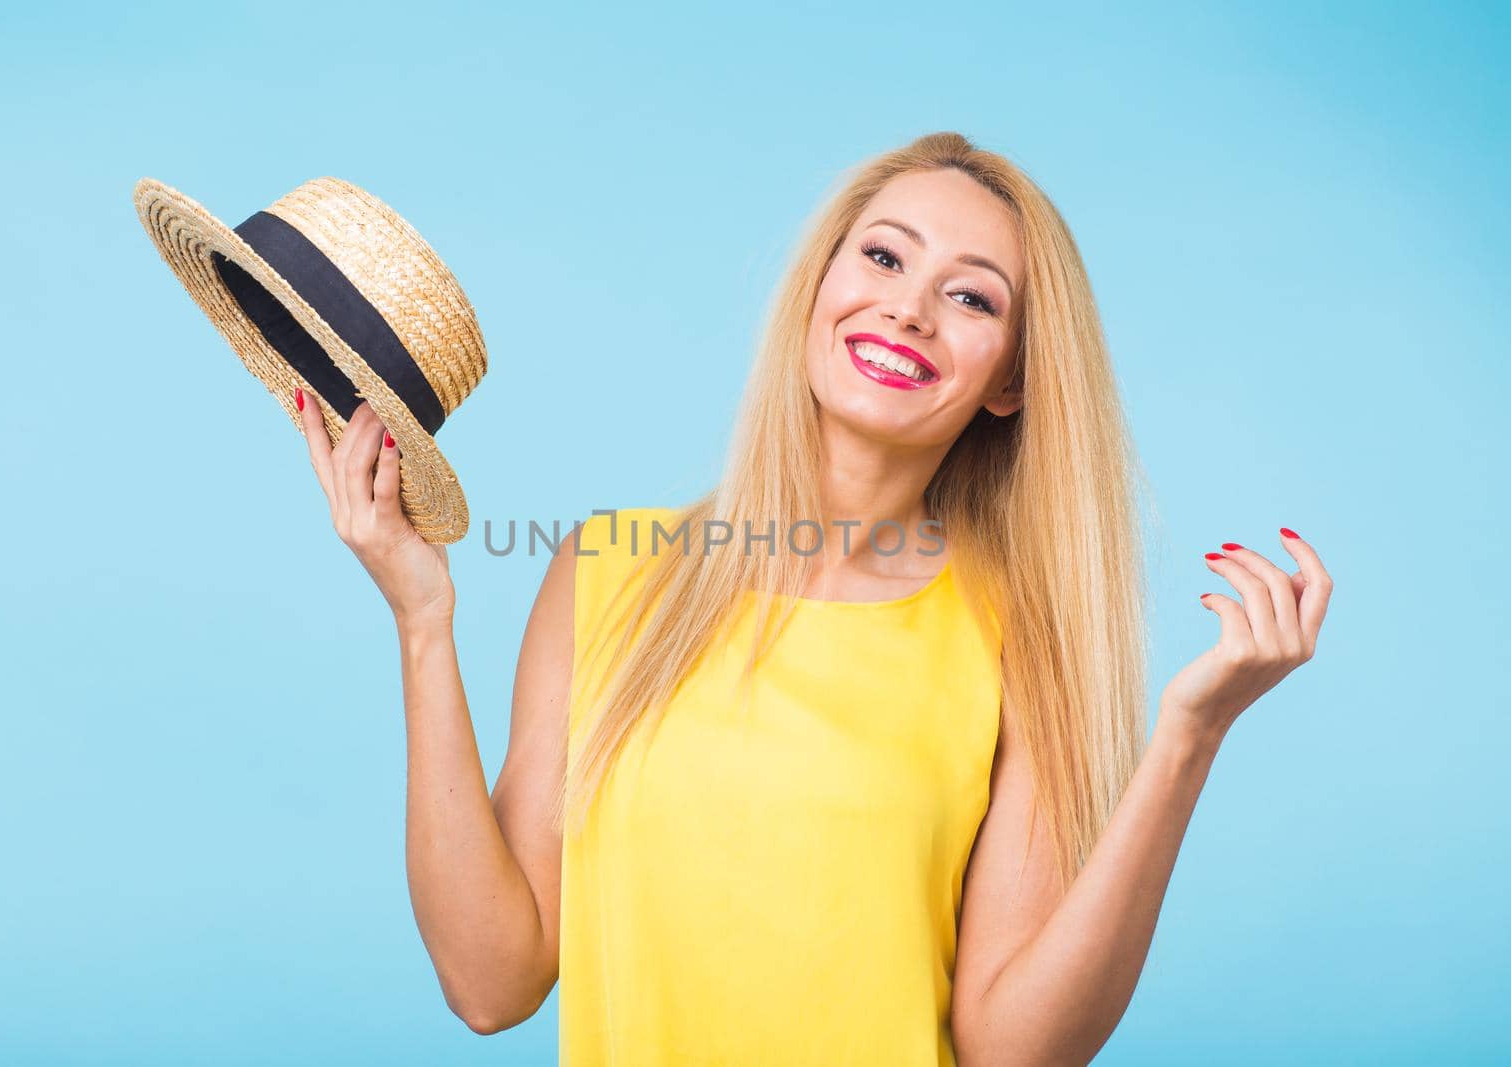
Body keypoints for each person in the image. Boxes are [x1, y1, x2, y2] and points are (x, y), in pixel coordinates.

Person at [292, 131, 1334, 1066]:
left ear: (1008, 379)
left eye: (972, 296)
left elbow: (1014, 1050)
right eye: (883, 256)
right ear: (818, 288)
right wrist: (423, 621)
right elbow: (491, 982)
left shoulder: (1019, 636)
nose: (908, 306)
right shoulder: (608, 570)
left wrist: (1187, 738)